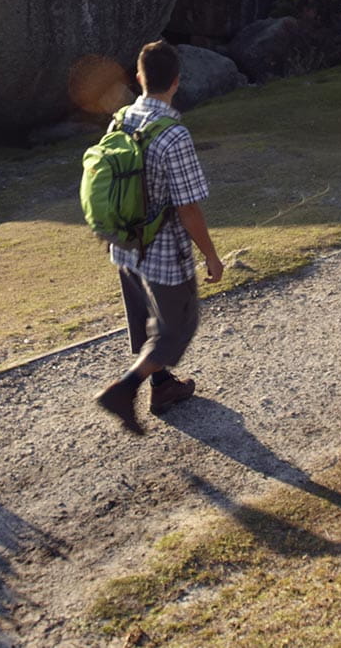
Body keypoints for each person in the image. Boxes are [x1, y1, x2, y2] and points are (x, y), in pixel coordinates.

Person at [93, 40, 225, 435]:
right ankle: (124, 388)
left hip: (124, 247)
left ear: (139, 77)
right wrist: (212, 256)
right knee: (176, 328)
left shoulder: (120, 120)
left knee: (146, 318)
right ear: (177, 82)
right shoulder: (174, 135)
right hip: (164, 255)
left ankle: (162, 386)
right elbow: (188, 209)